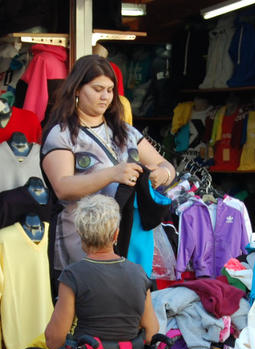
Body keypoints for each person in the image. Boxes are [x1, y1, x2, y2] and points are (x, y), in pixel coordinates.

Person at [41, 54, 176, 273]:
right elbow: (62, 187)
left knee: (133, 301)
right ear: (77, 89)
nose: (105, 96)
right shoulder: (62, 134)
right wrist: (113, 174)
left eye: (110, 90)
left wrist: (162, 174)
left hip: (130, 239)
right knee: (87, 303)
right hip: (81, 243)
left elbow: (167, 165)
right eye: (97, 89)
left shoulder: (126, 131)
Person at [44, 194, 159, 349]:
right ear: (116, 234)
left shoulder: (73, 276)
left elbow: (54, 340)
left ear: (80, 233)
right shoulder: (138, 274)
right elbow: (151, 334)